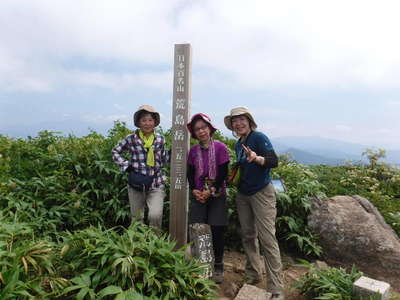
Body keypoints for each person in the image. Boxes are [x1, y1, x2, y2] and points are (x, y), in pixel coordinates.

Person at [224, 107, 284, 300]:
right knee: (248, 235)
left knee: (267, 238)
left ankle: (276, 288)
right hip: (243, 194)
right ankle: (254, 274)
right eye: (235, 121)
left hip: (261, 193)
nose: (238, 123)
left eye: (242, 119)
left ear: (249, 121)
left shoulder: (258, 137)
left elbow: (274, 161)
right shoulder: (238, 144)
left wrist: (256, 158)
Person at [186, 113, 230, 284]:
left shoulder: (220, 148)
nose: (201, 131)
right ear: (194, 133)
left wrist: (210, 190)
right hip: (199, 195)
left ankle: (218, 264)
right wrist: (195, 190)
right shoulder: (193, 151)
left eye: (204, 127)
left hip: (217, 195)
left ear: (210, 129)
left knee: (217, 229)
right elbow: (190, 173)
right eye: (197, 129)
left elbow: (223, 173)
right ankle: (199, 264)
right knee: (197, 228)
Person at [112, 105, 168, 229]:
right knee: (137, 219)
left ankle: (155, 245)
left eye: (150, 120)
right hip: (136, 184)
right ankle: (138, 246)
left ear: (154, 122)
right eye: (144, 120)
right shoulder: (131, 138)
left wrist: (171, 155)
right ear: (138, 122)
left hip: (156, 183)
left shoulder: (160, 139)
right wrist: (126, 166)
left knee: (155, 215)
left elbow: (164, 160)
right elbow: (115, 151)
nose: (147, 123)